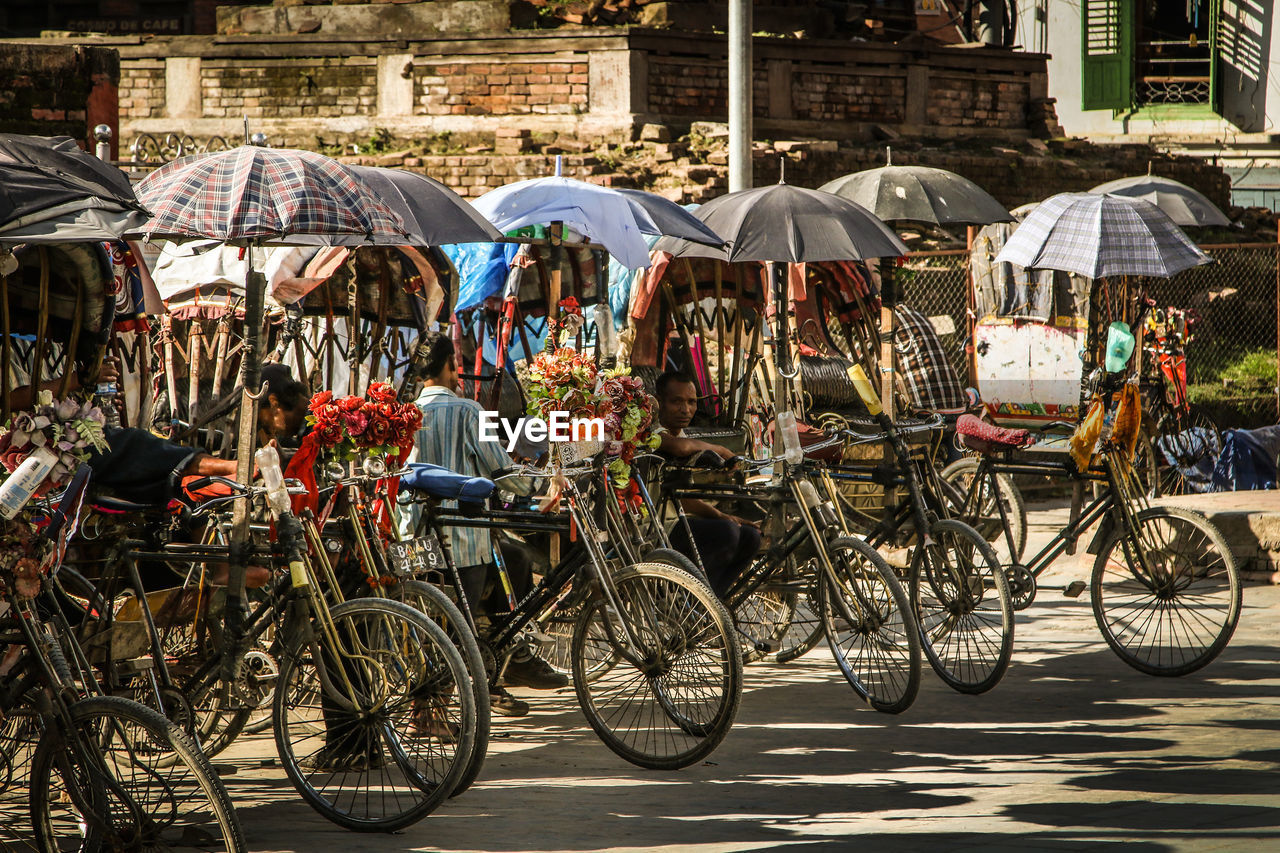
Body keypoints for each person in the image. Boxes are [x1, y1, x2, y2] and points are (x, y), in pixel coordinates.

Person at [399, 332, 568, 717]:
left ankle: (508, 662)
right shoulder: (468, 411)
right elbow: (503, 472)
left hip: (416, 540)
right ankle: (429, 713)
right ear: (448, 367)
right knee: (453, 629)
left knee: (514, 560)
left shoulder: (404, 414)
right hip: (462, 542)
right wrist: (541, 484)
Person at [654, 371, 761, 598]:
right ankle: (697, 604)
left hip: (677, 520)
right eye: (676, 402)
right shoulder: (651, 432)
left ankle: (711, 604)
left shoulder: (682, 434)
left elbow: (684, 497)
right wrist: (720, 450)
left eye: (691, 402)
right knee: (727, 533)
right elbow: (679, 448)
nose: (686, 410)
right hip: (653, 528)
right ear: (659, 402)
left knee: (751, 536)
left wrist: (722, 515)